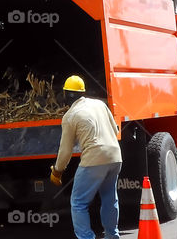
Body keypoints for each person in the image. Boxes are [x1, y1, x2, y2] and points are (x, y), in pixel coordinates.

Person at [49, 75, 122, 239]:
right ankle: (112, 235)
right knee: (110, 198)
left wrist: (57, 171)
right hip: (115, 157)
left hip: (93, 161)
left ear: (66, 94)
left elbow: (65, 151)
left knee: (78, 203)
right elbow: (115, 131)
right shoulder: (100, 104)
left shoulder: (70, 116)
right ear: (82, 92)